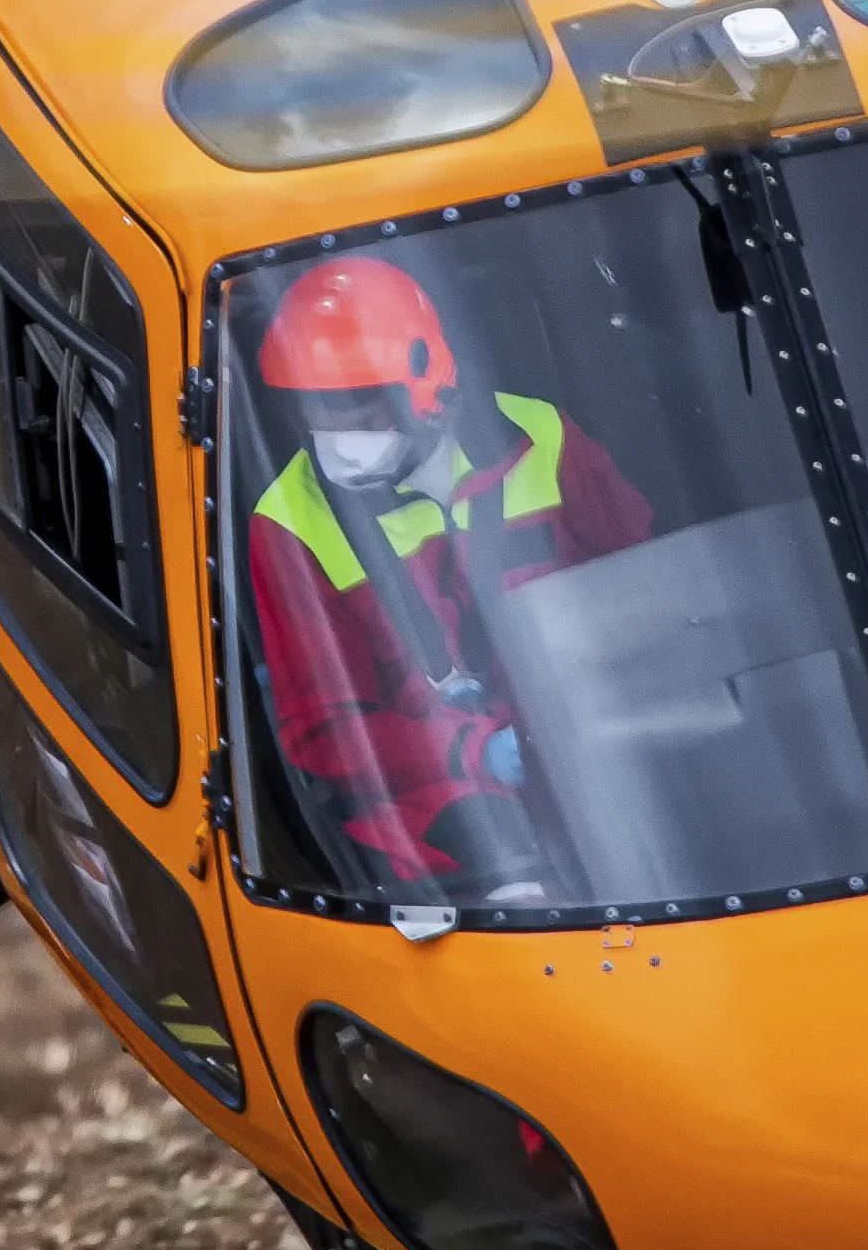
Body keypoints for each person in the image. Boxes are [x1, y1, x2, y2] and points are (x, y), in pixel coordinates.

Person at [237, 251, 652, 896]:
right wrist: (466, 750)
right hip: (452, 813)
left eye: (359, 406)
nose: (338, 434)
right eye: (313, 410)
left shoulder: (541, 437)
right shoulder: (288, 521)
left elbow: (652, 593)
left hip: (607, 752)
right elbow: (321, 729)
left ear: (425, 385)